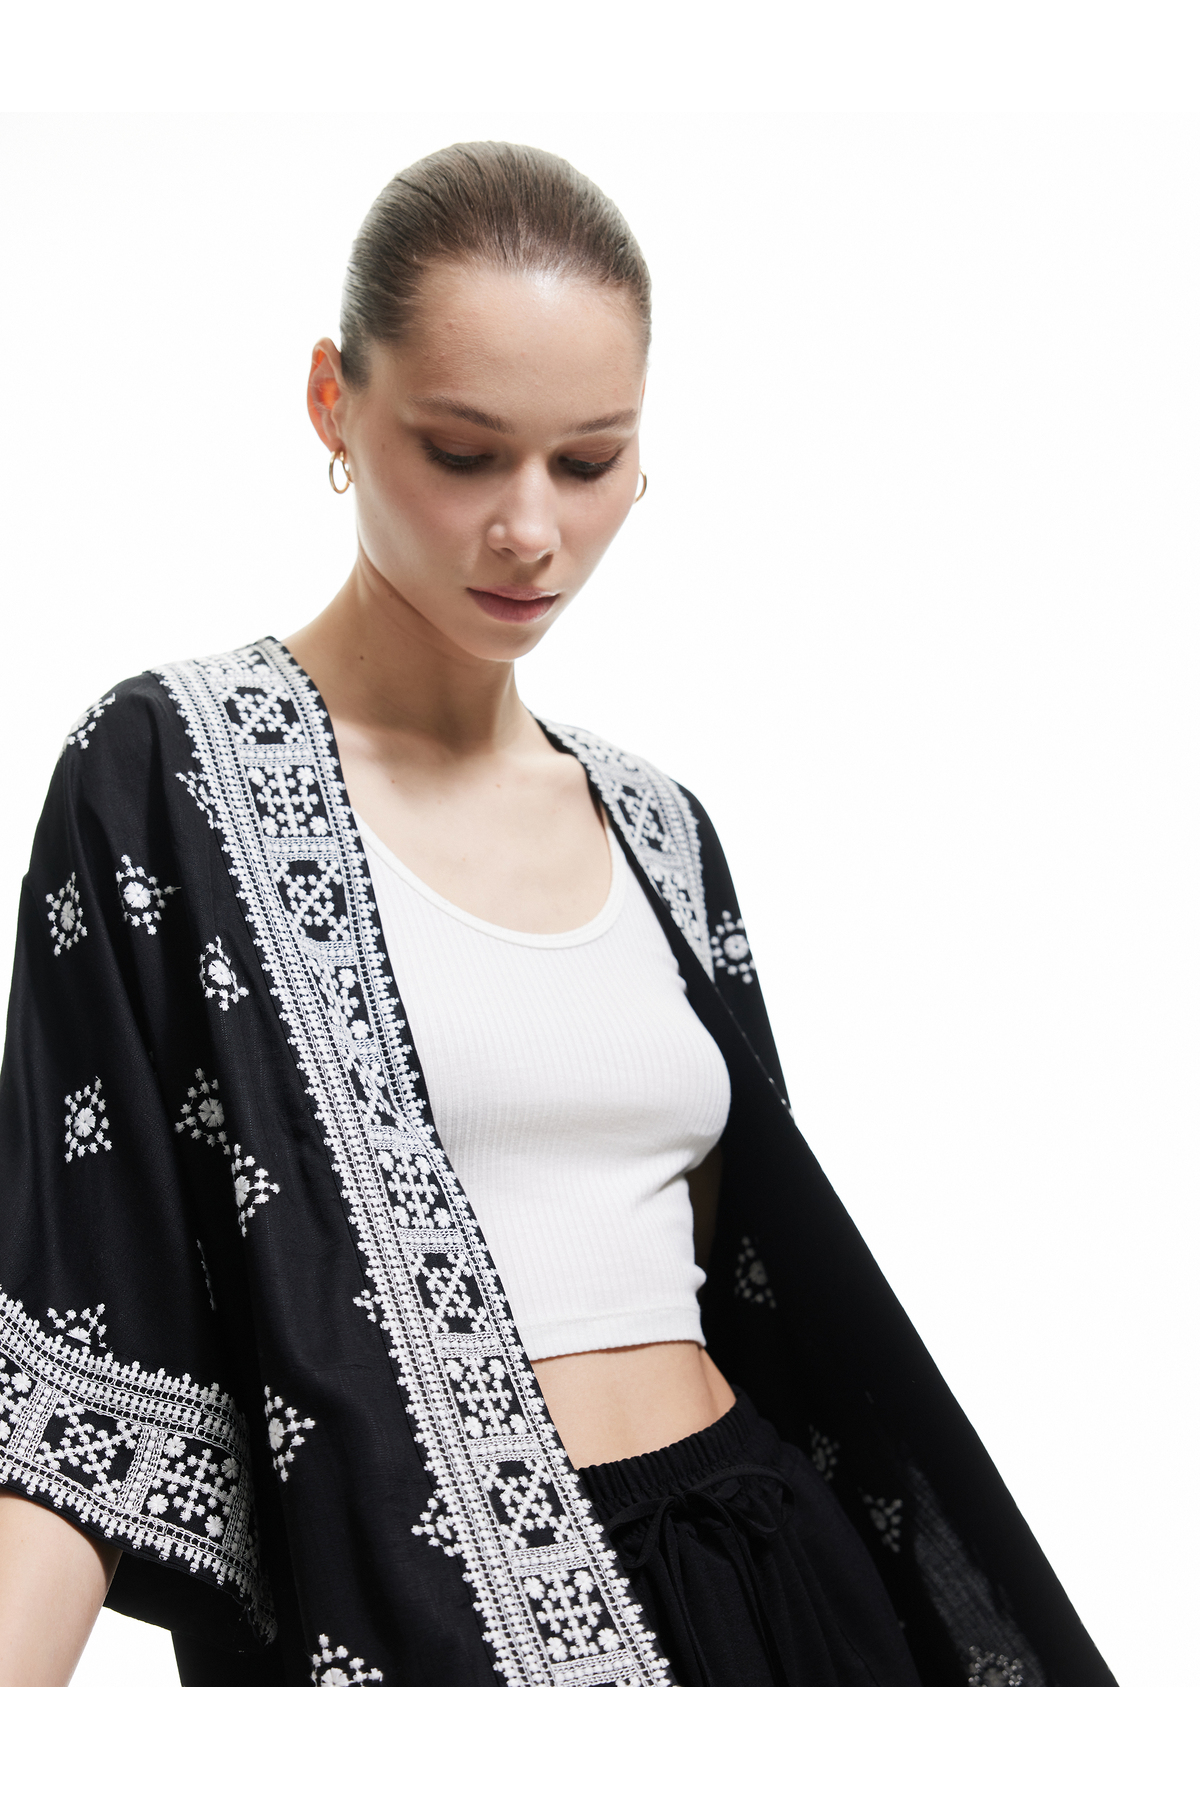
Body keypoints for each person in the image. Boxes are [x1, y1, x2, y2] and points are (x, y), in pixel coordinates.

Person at [0, 142, 1113, 1688]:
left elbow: (749, 1284)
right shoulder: (163, 774)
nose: (531, 531)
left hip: (777, 1579)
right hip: (428, 1622)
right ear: (332, 402)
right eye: (464, 453)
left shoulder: (660, 829)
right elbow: (76, 1360)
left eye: (589, 463)